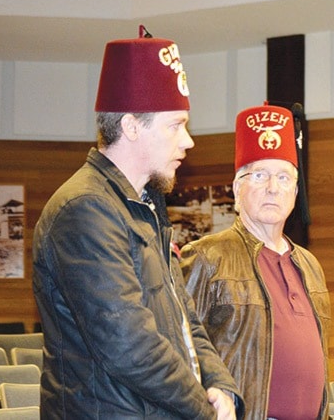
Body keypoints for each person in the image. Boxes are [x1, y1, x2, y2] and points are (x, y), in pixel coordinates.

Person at [32, 27, 244, 419]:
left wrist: (221, 387)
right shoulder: (85, 210)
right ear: (131, 126)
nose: (188, 141)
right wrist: (205, 409)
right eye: (175, 125)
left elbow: (185, 321)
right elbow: (128, 344)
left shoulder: (144, 205)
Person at [183, 103, 331, 419]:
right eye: (259, 174)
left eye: (283, 177)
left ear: (295, 191)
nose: (272, 188)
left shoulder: (310, 266)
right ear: (237, 189)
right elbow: (181, 350)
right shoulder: (206, 257)